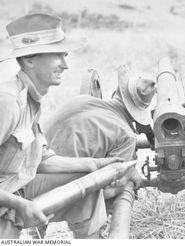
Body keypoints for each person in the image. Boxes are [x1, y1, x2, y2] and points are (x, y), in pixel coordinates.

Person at [0, 13, 137, 239]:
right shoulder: (8, 102)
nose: (65, 65)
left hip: (15, 190)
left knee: (87, 184)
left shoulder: (30, 99)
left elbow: (43, 159)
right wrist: (20, 204)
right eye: (57, 56)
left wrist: (95, 165)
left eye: (64, 55)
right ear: (29, 60)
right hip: (6, 201)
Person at [43, 65, 156, 199]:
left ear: (118, 92)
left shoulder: (82, 100)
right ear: (138, 112)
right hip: (55, 193)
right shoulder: (126, 136)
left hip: (31, 172)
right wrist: (128, 176)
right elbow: (106, 192)